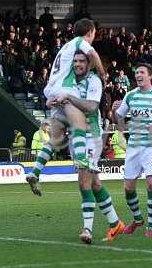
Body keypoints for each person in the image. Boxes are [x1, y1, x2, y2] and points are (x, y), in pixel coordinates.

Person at [27, 51, 124, 243]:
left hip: (91, 136)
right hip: (76, 136)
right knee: (95, 183)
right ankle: (115, 223)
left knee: (83, 181)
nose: (78, 64)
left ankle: (87, 229)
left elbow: (91, 107)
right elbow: (50, 99)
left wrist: (69, 99)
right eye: (75, 61)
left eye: (81, 61)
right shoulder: (67, 78)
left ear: (89, 63)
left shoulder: (94, 81)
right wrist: (52, 101)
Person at [112, 63, 152, 238]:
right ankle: (138, 219)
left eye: (141, 72)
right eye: (136, 73)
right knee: (128, 188)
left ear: (150, 76)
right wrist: (113, 112)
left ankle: (151, 225)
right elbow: (118, 121)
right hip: (133, 147)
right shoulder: (130, 96)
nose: (138, 75)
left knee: (151, 183)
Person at [44, 18, 106, 169]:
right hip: (65, 88)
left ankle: (35, 171)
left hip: (52, 88)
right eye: (94, 33)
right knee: (79, 123)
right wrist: (103, 74)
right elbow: (94, 55)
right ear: (90, 32)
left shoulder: (66, 46)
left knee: (55, 136)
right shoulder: (79, 42)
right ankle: (82, 159)